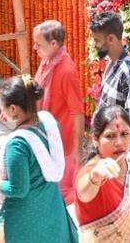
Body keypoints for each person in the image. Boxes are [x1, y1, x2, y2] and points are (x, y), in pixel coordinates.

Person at [0, 76, 78, 243]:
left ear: (14, 109)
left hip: (25, 221)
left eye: (3, 109)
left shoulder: (18, 145)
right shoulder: (49, 124)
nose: (2, 114)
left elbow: (18, 189)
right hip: (52, 211)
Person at [74, 105, 130, 242]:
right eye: (110, 136)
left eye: (124, 134)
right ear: (95, 140)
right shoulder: (92, 170)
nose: (119, 142)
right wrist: (94, 177)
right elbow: (83, 192)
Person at [32, 20, 84, 205]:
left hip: (63, 142)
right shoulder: (48, 61)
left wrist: (77, 148)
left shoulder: (66, 70)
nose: (34, 47)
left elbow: (77, 111)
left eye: (39, 44)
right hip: (49, 135)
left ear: (54, 44)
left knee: (63, 195)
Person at [91, 12, 130, 141]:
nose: (94, 45)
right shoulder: (111, 65)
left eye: (97, 40)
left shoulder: (128, 70)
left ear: (111, 39)